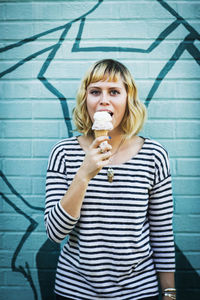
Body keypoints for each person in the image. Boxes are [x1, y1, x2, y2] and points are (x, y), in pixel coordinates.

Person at [45, 59, 176, 300]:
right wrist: (83, 174)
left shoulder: (154, 155)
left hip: (139, 291)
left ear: (128, 99)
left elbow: (161, 232)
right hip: (75, 290)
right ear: (86, 100)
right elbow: (55, 233)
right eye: (95, 91)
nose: (104, 99)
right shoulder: (63, 153)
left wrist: (169, 292)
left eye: (114, 91)